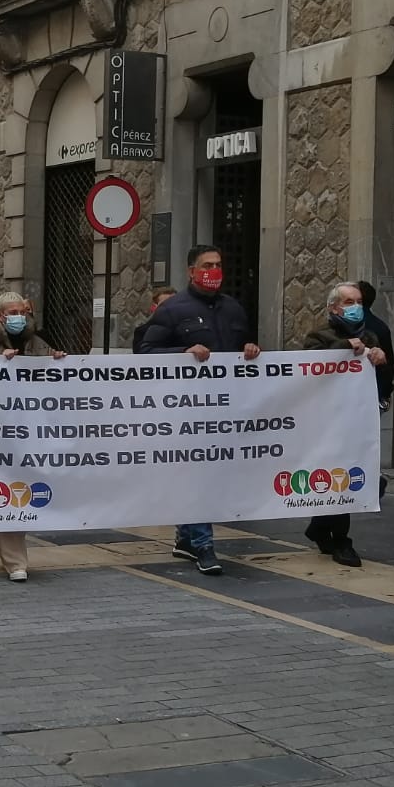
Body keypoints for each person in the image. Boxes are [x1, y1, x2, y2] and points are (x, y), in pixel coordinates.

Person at [136, 244, 261, 576]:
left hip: (226, 408)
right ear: (191, 271)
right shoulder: (173, 310)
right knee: (198, 472)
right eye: (207, 265)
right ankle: (204, 544)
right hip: (187, 410)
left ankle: (186, 536)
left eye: (219, 264)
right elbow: (146, 352)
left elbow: (243, 347)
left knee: (207, 474)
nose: (214, 270)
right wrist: (184, 350)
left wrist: (250, 349)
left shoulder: (234, 309)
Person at [0, 293, 67, 582]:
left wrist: (56, 361)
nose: (19, 316)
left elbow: (49, 382)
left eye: (23, 311)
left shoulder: (37, 343)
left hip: (30, 429)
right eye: (12, 312)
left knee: (24, 485)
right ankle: (15, 559)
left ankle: (6, 546)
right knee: (8, 487)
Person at [298, 283, 388, 567]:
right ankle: (340, 540)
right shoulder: (318, 337)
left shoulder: (371, 335)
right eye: (349, 301)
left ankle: (320, 529)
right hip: (326, 422)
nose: (355, 306)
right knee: (339, 478)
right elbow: (311, 368)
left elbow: (384, 381)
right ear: (334, 307)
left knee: (363, 479)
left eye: (358, 301)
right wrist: (342, 347)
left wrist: (381, 360)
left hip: (358, 422)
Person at [356, 280, 394, 409]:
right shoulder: (381, 327)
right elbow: (390, 366)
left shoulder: (343, 326)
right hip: (373, 394)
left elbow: (387, 364)